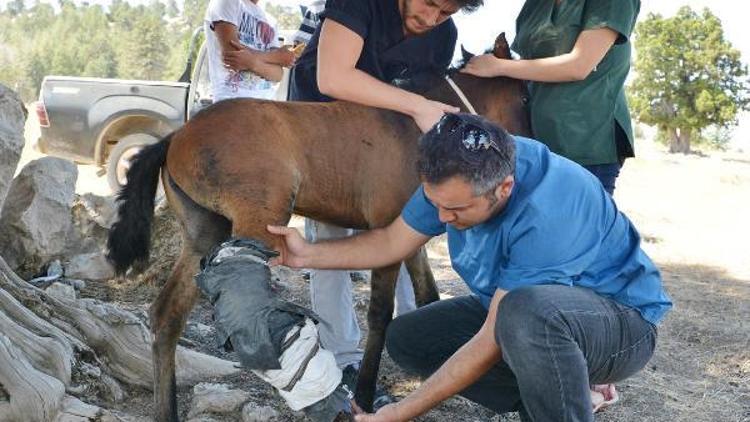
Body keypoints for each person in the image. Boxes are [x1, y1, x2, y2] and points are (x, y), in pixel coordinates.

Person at [267, 113, 673, 422]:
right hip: (526, 311)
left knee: (526, 316)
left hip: (621, 323)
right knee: (410, 338)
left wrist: (401, 412)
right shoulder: (455, 173)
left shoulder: (551, 206)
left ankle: (563, 404)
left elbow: (489, 340)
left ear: (504, 189)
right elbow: (393, 241)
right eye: (435, 203)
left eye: (456, 210)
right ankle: (570, 388)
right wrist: (307, 254)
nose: (442, 219)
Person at [286, 0, 483, 384]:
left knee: (408, 233)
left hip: (387, 153)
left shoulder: (444, 35)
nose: (431, 19)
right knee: (329, 241)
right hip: (322, 137)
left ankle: (416, 342)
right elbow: (333, 78)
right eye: (428, 3)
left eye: (445, 12)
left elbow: (423, 101)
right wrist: (418, 105)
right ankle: (341, 354)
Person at [461, 0, 641, 195]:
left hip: (585, 142)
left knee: (573, 222)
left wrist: (497, 67)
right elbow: (527, 64)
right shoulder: (536, 4)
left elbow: (579, 66)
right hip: (530, 141)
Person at [204, 0, 295, 102]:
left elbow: (278, 74)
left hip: (266, 105)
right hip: (231, 103)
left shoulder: (271, 21)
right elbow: (233, 56)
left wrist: (252, 62)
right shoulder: (226, 2)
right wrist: (277, 57)